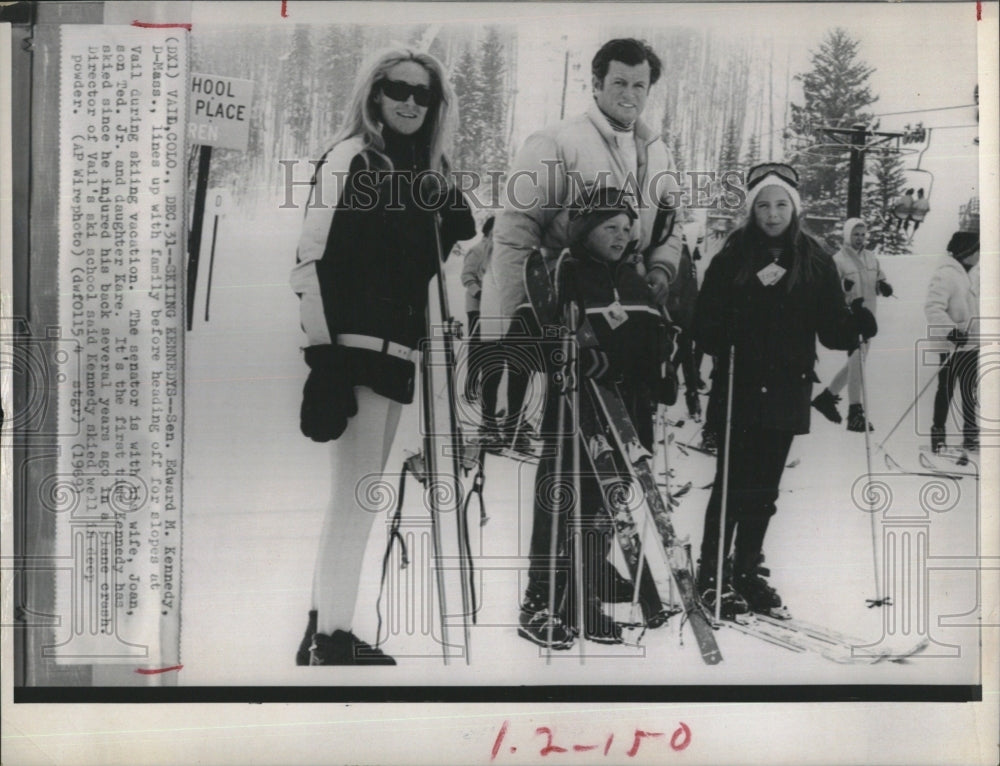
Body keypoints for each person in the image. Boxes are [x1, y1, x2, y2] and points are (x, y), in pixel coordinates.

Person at [289, 47, 475, 665]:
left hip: (399, 355)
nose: (410, 102)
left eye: (424, 94)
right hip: (355, 353)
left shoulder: (424, 173)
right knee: (357, 495)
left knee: (355, 495)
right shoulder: (352, 158)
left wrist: (444, 210)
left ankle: (324, 625)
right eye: (399, 88)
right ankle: (332, 639)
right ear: (375, 93)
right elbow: (310, 261)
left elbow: (426, 272)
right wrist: (324, 358)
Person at [692, 163, 877, 618]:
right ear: (751, 210)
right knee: (733, 485)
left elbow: (831, 330)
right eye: (763, 206)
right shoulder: (732, 255)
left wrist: (855, 323)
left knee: (764, 490)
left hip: (786, 387)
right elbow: (703, 323)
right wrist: (722, 328)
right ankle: (711, 574)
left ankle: (746, 569)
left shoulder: (813, 259)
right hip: (739, 386)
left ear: (794, 209)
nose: (772, 214)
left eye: (780, 205)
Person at [480, 38, 683, 442]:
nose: (629, 95)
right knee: (573, 436)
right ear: (596, 83)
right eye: (619, 83)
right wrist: (523, 317)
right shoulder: (557, 141)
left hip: (630, 308)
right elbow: (517, 230)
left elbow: (669, 223)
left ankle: (625, 478)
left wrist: (661, 267)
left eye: (639, 86)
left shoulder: (658, 152)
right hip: (574, 311)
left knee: (628, 433)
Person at [518, 186, 675, 649]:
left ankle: (582, 600)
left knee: (603, 513)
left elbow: (651, 342)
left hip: (626, 419)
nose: (621, 236)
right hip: (572, 418)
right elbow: (526, 341)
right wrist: (573, 357)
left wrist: (661, 367)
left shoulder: (634, 280)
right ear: (585, 229)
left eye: (627, 228)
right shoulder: (563, 275)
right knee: (559, 507)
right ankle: (540, 600)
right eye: (610, 227)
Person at [812, 218, 893, 431]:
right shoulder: (837, 260)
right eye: (856, 234)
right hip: (850, 318)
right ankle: (855, 411)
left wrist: (883, 286)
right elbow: (830, 290)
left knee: (857, 362)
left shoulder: (871, 257)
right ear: (847, 235)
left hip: (869, 318)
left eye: (863, 234)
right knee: (858, 361)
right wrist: (843, 287)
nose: (860, 238)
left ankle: (827, 397)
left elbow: (879, 279)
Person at [925, 230, 980, 452]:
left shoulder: (968, 273)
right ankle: (938, 436)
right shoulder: (946, 274)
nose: (979, 255)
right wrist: (951, 332)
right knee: (946, 390)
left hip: (970, 344)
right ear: (966, 252)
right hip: (951, 345)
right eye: (977, 250)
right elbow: (932, 307)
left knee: (969, 390)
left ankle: (970, 436)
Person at [461, 215, 494, 414]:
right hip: (476, 307)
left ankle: (484, 388)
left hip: (493, 307)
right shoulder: (477, 250)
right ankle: (470, 388)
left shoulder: (498, 250)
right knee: (476, 347)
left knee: (490, 348)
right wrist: (479, 293)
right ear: (489, 231)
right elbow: (466, 276)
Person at [668, 231, 702, 420]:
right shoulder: (683, 259)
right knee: (684, 355)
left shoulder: (690, 260)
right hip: (681, 316)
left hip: (687, 315)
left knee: (686, 355)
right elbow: (677, 290)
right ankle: (690, 399)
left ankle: (692, 399)